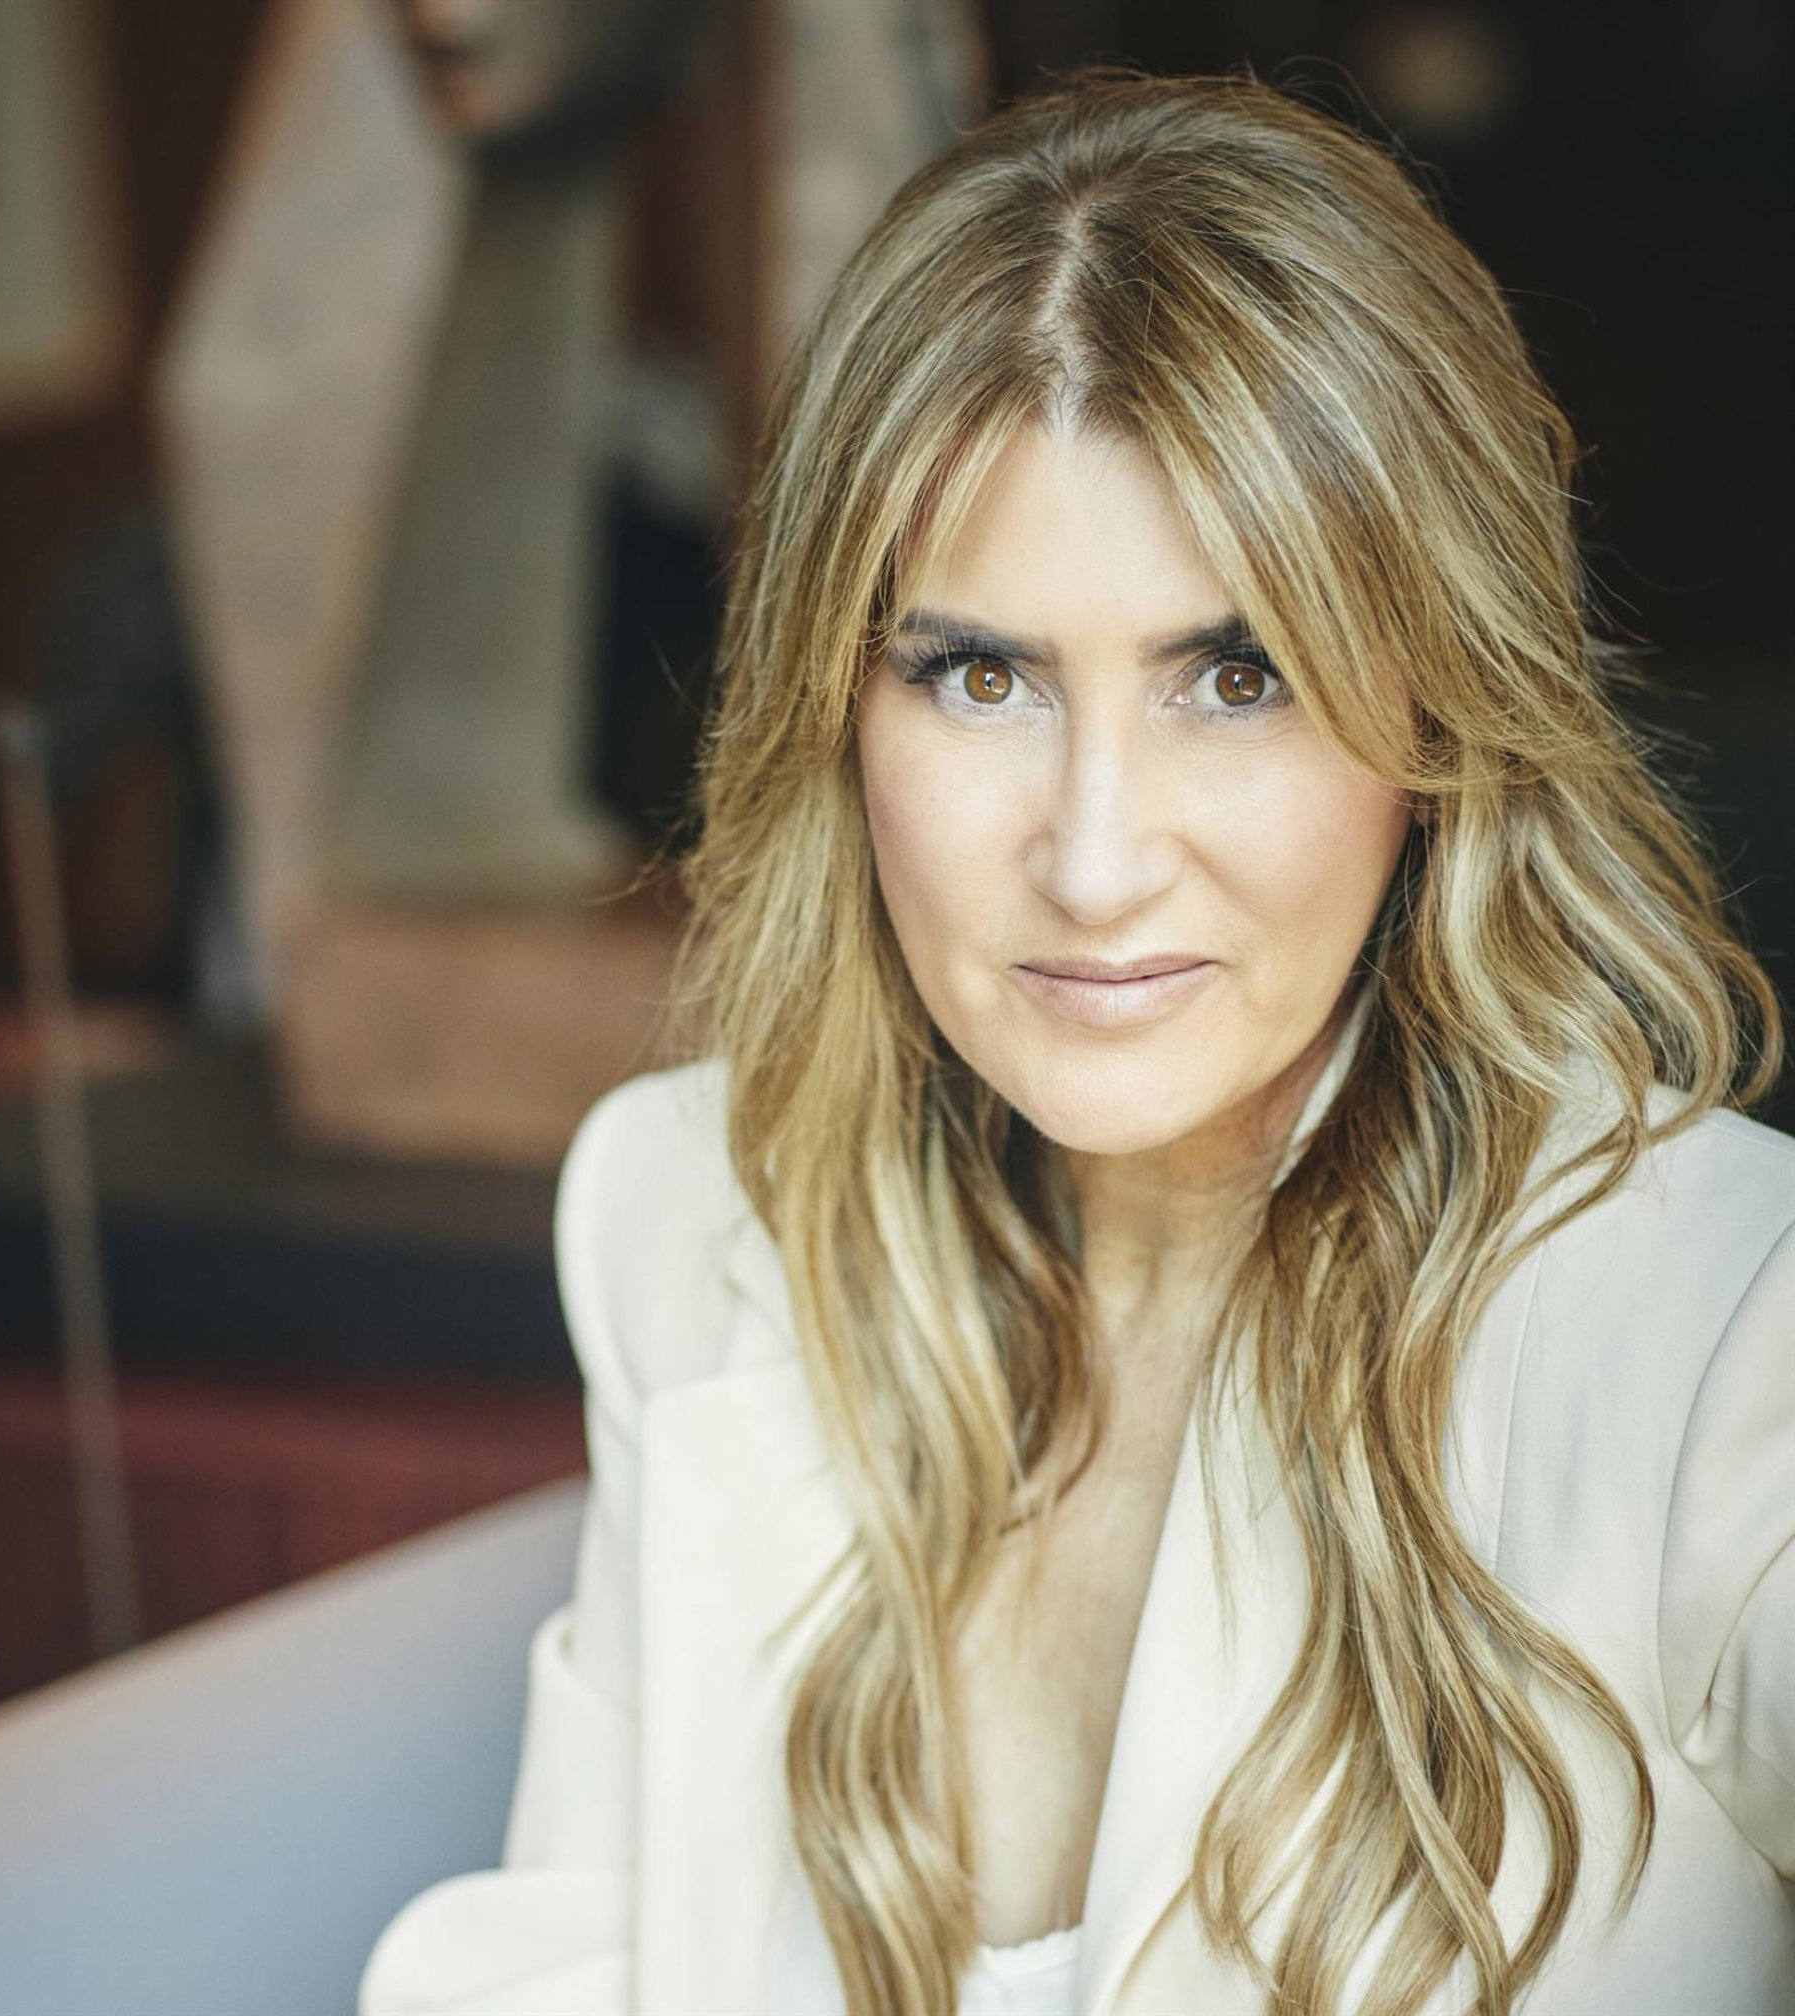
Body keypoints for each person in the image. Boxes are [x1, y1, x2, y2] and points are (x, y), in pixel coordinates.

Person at [359, 67, 1793, 2016]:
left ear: (1439, 716)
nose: (1097, 861)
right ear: (835, 713)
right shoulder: (692, 1215)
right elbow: (562, 1970)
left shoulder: (1725, 1332)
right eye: (979, 676)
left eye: (1237, 675)